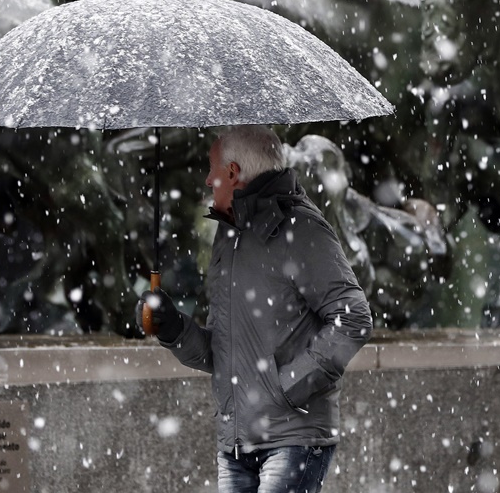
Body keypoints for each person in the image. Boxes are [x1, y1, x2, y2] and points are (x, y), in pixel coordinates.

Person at [135, 125, 373, 493]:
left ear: (233, 173)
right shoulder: (229, 236)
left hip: (291, 440)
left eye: (213, 168)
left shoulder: (303, 228)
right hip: (235, 443)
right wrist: (174, 330)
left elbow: (353, 318)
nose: (207, 178)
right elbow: (223, 350)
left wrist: (285, 390)